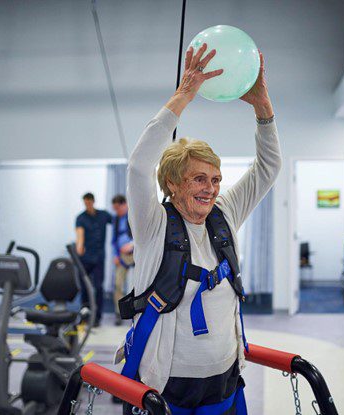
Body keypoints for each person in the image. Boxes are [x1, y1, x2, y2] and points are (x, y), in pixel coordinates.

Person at [116, 43, 280, 414]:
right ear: (173, 182)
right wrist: (183, 95)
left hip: (223, 378)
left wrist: (262, 106)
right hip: (166, 385)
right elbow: (139, 166)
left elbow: (268, 168)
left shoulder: (224, 214)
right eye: (199, 179)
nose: (211, 188)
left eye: (216, 179)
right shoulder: (153, 224)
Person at [75, 192, 112, 327]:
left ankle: (97, 317)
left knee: (98, 287)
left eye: (89, 202)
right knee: (84, 287)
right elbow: (79, 234)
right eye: (85, 203)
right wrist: (79, 246)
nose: (87, 205)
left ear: (93, 202)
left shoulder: (103, 215)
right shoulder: (80, 218)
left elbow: (118, 221)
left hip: (99, 258)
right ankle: (85, 314)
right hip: (84, 258)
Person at [111, 194, 134, 326]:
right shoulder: (115, 219)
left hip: (136, 255)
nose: (116, 211)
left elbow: (143, 235)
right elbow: (113, 241)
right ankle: (118, 313)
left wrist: (132, 244)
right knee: (118, 284)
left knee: (139, 284)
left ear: (125, 205)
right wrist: (116, 255)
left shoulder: (134, 216)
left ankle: (138, 312)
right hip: (121, 256)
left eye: (118, 208)